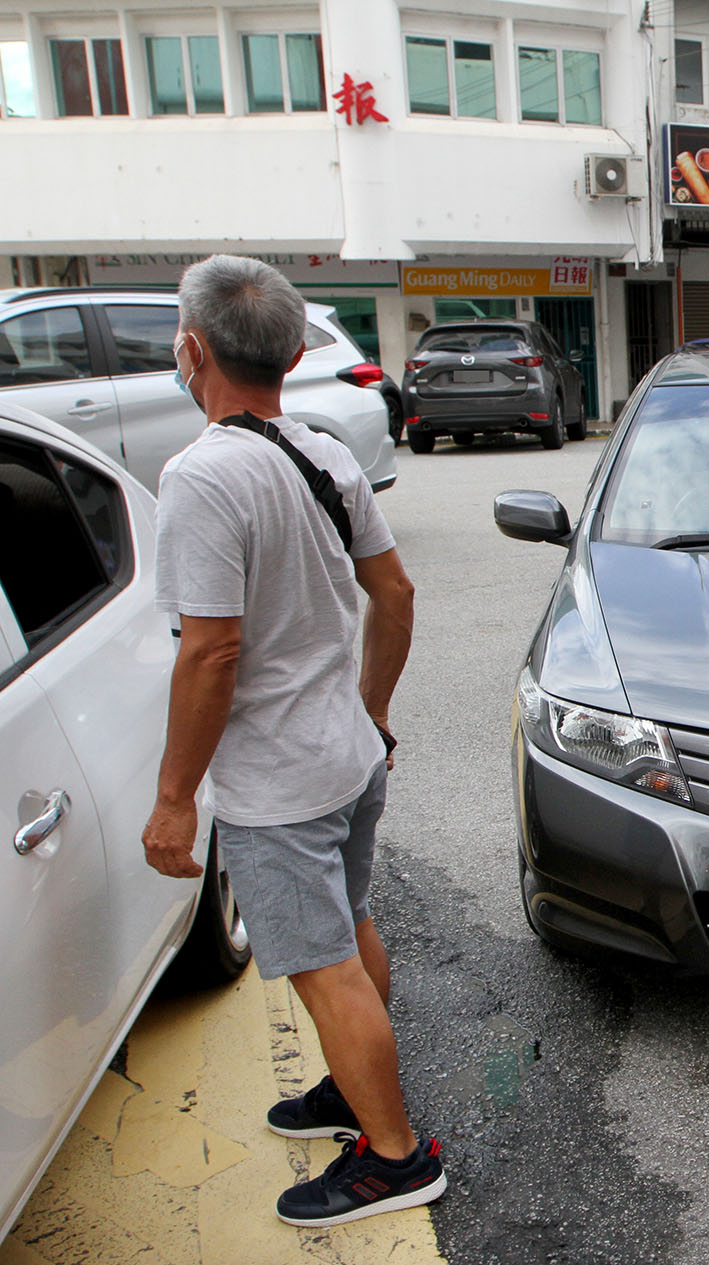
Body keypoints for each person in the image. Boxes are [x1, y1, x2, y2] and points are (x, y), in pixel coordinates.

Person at [139, 254, 442, 1228]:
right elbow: (392, 592)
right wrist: (374, 709)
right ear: (290, 353)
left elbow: (210, 650)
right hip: (349, 754)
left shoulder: (200, 478)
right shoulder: (324, 451)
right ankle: (352, 1093)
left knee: (323, 961)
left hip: (280, 779)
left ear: (193, 350)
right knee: (349, 926)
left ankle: (395, 1155)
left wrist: (176, 794)